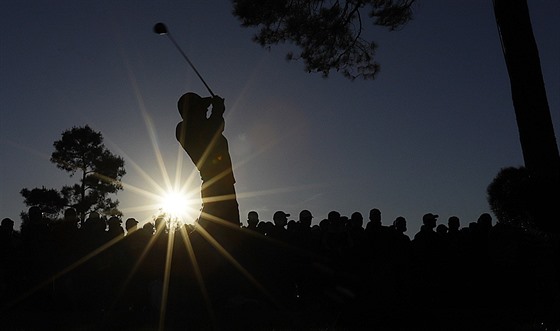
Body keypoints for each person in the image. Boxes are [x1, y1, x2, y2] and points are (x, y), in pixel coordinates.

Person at [176, 92, 239, 228]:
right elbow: (211, 132)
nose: (205, 109)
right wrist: (217, 110)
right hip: (214, 184)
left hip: (225, 184)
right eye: (202, 107)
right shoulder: (183, 129)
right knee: (217, 231)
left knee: (230, 230)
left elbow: (218, 126)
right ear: (191, 110)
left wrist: (216, 109)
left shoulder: (204, 125)